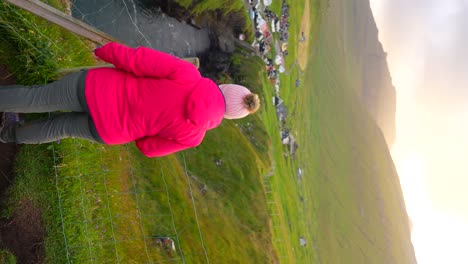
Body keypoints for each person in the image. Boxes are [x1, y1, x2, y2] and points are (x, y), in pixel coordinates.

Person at [0, 42, 260, 157]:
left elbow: (139, 60)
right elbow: (148, 149)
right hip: (111, 130)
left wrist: (106, 50)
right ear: (228, 116)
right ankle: (7, 134)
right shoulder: (194, 137)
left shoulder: (188, 74)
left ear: (225, 87)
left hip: (98, 89)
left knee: (37, 97)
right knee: (60, 128)